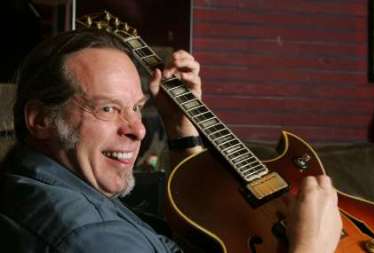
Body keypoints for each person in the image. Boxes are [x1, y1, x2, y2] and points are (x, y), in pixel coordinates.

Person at [0, 29, 341, 253]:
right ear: (41, 120)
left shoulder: (50, 183)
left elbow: (195, 216)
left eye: (137, 108)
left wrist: (180, 130)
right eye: (108, 108)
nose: (137, 129)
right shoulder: (90, 237)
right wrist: (310, 247)